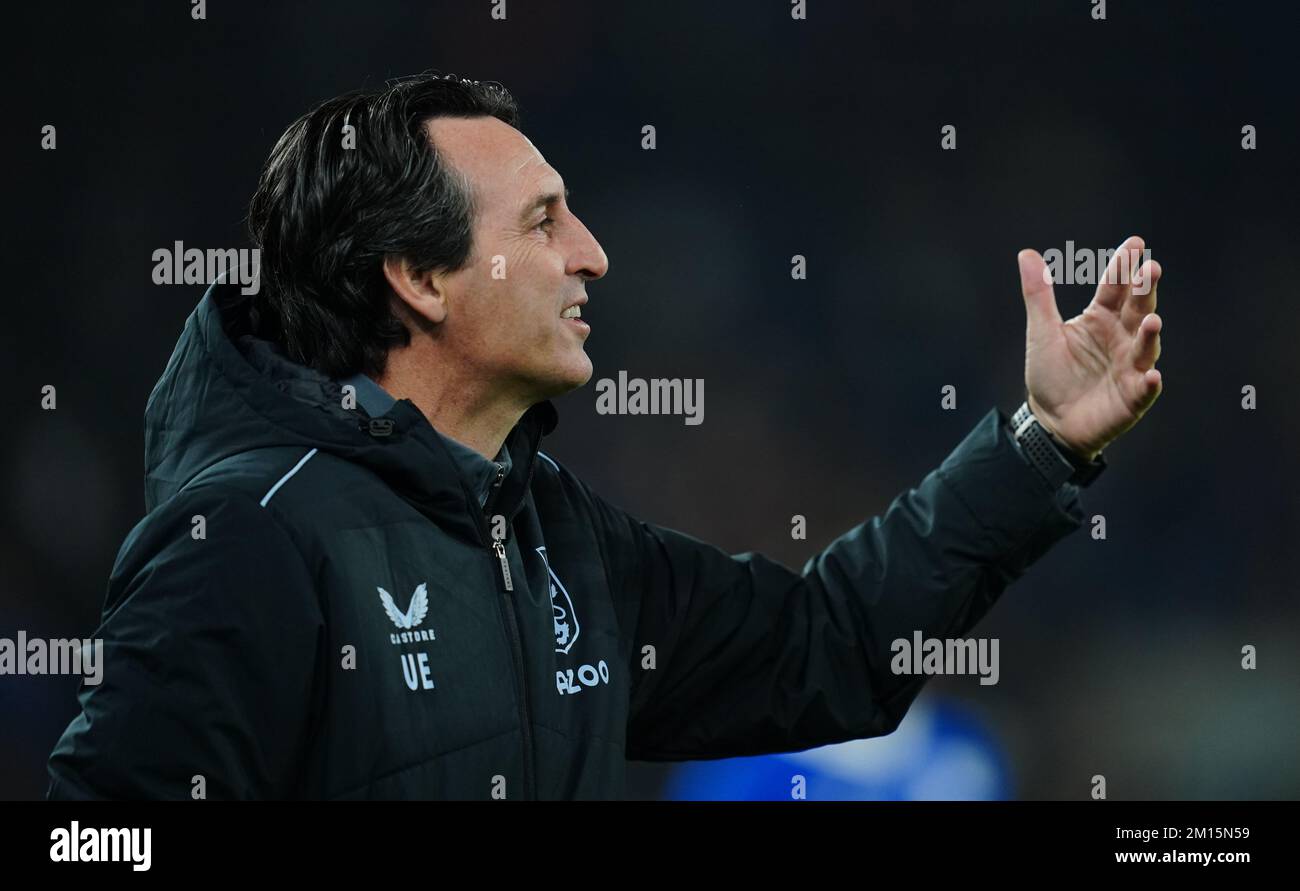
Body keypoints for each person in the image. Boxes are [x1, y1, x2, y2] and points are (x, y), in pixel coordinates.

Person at [47, 73, 1164, 800]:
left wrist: (1041, 443)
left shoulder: (551, 533)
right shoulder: (244, 539)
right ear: (421, 277)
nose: (592, 254)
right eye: (542, 221)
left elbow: (823, 651)